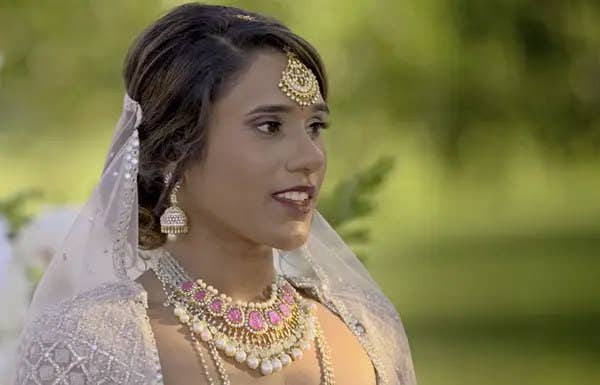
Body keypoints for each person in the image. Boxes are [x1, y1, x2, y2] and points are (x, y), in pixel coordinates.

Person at [11, 3, 416, 384]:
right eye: (270, 126)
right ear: (175, 148)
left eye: (315, 127)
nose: (310, 157)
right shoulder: (89, 346)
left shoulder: (364, 332)